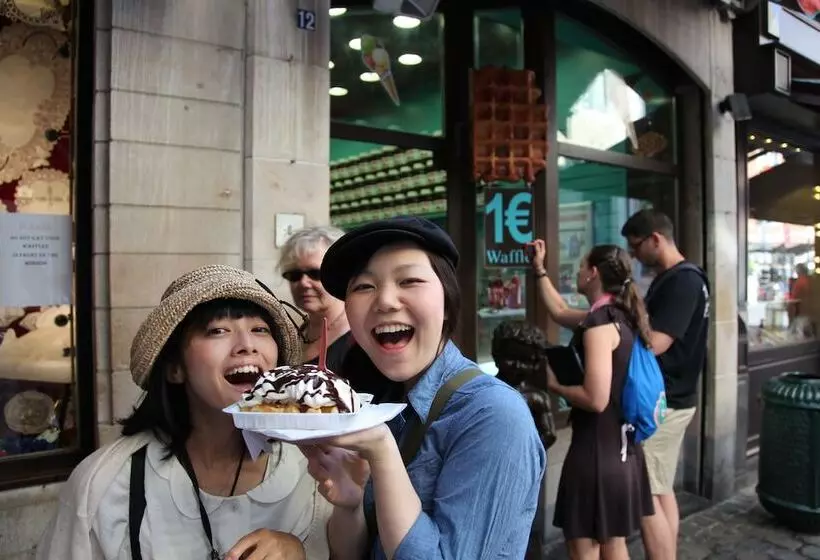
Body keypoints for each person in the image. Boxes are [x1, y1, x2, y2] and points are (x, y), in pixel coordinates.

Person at [36, 265, 334, 560]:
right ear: (175, 368)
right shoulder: (107, 482)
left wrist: (300, 550)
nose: (247, 346)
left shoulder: (313, 467)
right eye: (218, 330)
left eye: (260, 330)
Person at [302, 216, 546, 559]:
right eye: (364, 287)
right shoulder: (385, 402)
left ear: (447, 303)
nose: (385, 301)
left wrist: (383, 454)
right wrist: (350, 505)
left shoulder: (494, 416)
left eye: (410, 280)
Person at [540, 245, 654, 559]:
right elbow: (560, 312)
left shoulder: (600, 324)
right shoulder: (623, 315)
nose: (576, 272)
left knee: (583, 548)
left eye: (580, 266)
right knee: (614, 544)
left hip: (594, 456)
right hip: (622, 452)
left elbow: (595, 399)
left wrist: (555, 385)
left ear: (593, 274)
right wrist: (539, 270)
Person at [621, 209, 709, 560]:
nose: (633, 255)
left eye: (635, 246)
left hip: (665, 402)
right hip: (673, 399)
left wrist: (617, 339)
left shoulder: (683, 281)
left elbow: (656, 343)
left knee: (649, 496)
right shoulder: (677, 277)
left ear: (656, 239)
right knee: (661, 489)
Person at [491, 320, 557, 559]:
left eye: (526, 360)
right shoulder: (486, 391)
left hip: (528, 477)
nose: (517, 366)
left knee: (528, 531)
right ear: (497, 355)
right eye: (511, 358)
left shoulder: (537, 399)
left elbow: (549, 434)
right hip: (490, 475)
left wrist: (525, 453)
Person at [278, 225, 350, 370]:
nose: (303, 283)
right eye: (294, 275)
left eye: (315, 274)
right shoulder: (293, 336)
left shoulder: (359, 337)